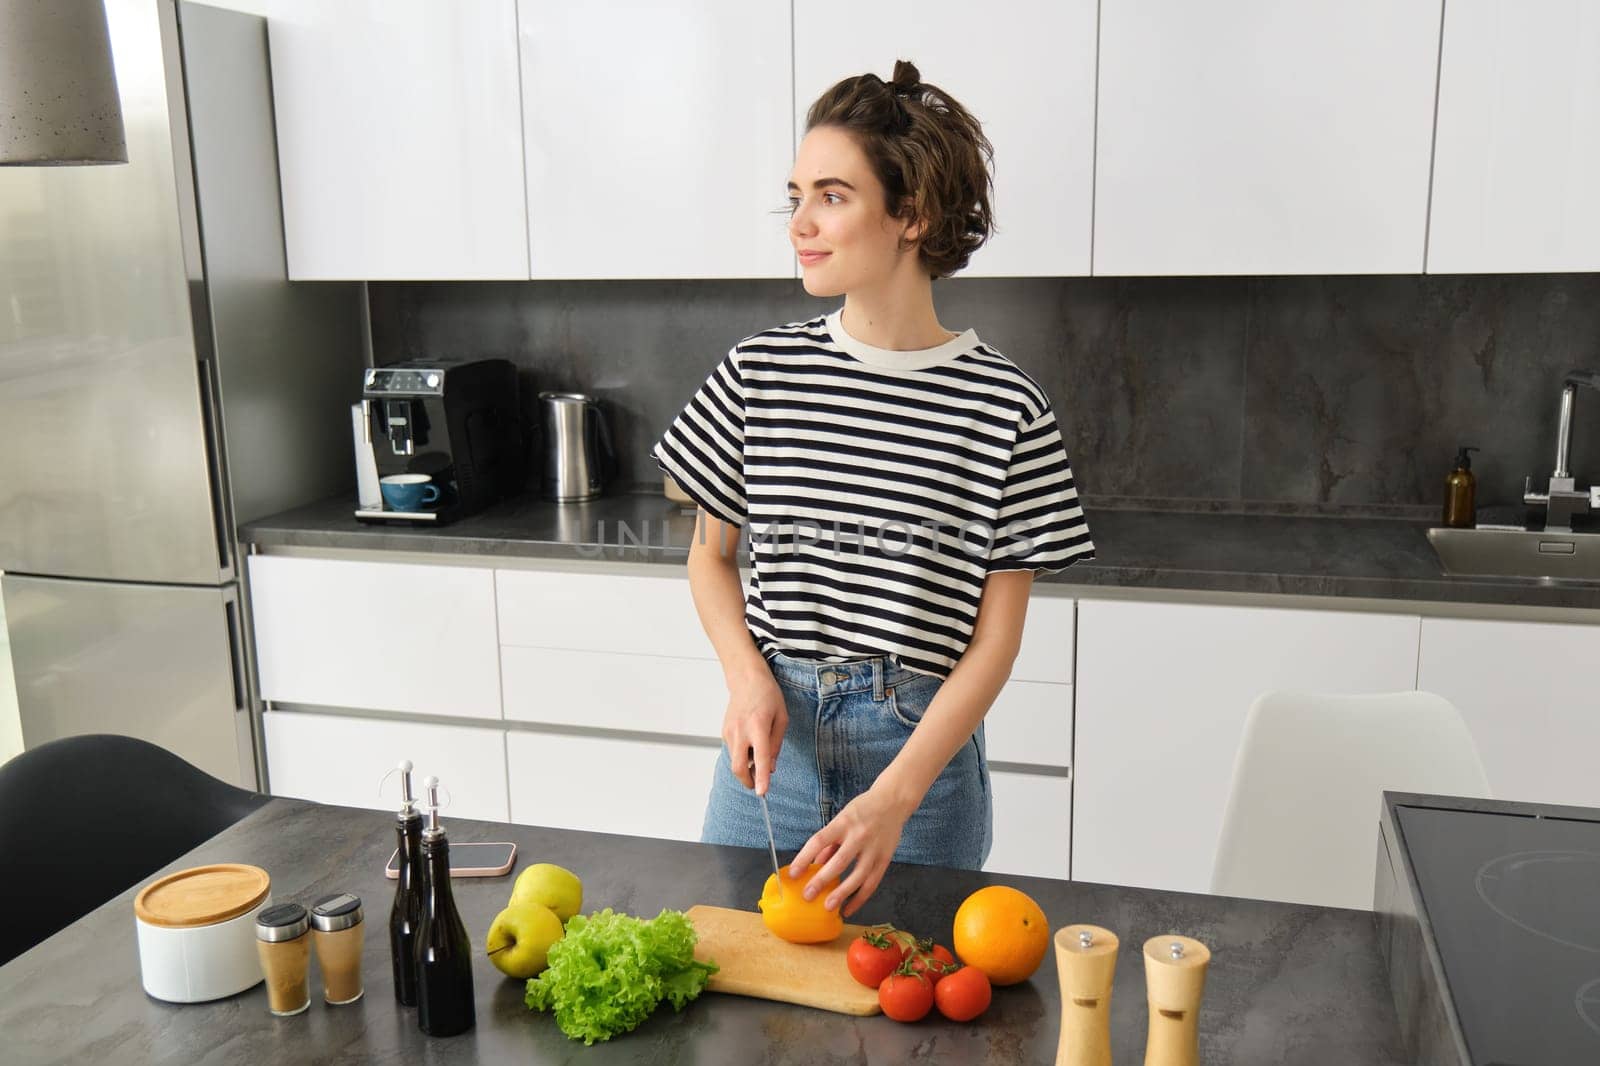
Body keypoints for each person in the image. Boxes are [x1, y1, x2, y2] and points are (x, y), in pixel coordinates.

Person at [651, 60, 1093, 918]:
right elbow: (711, 562)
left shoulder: (1007, 408)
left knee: (912, 1031)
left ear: (912, 214)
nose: (800, 224)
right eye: (796, 197)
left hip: (920, 777)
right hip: (770, 766)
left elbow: (994, 648)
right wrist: (747, 679)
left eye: (832, 196)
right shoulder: (758, 373)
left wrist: (894, 799)